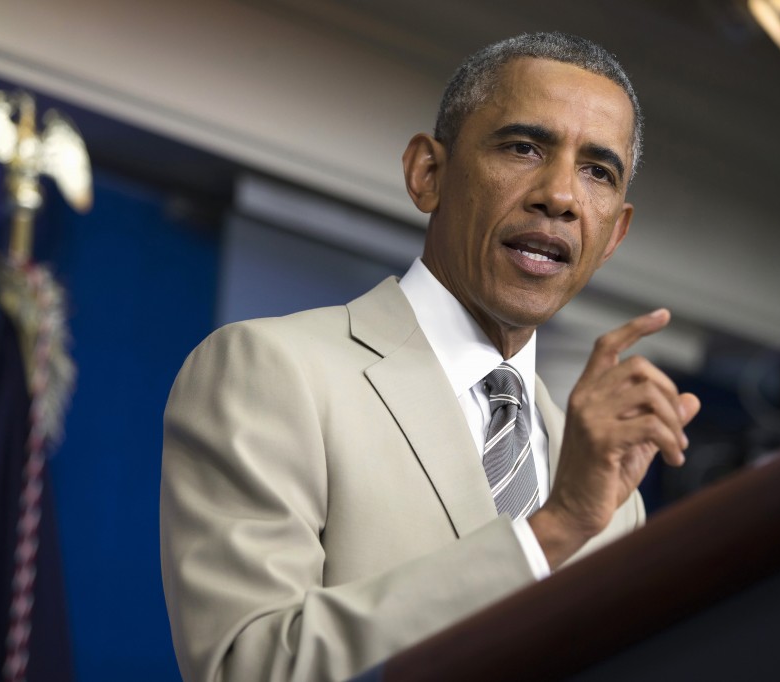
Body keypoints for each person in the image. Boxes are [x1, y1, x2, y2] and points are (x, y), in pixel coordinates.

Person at [160, 31, 699, 682]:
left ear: (613, 232)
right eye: (524, 147)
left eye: (597, 171)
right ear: (428, 174)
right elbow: (249, 668)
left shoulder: (618, 501)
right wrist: (549, 533)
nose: (559, 195)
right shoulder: (270, 370)